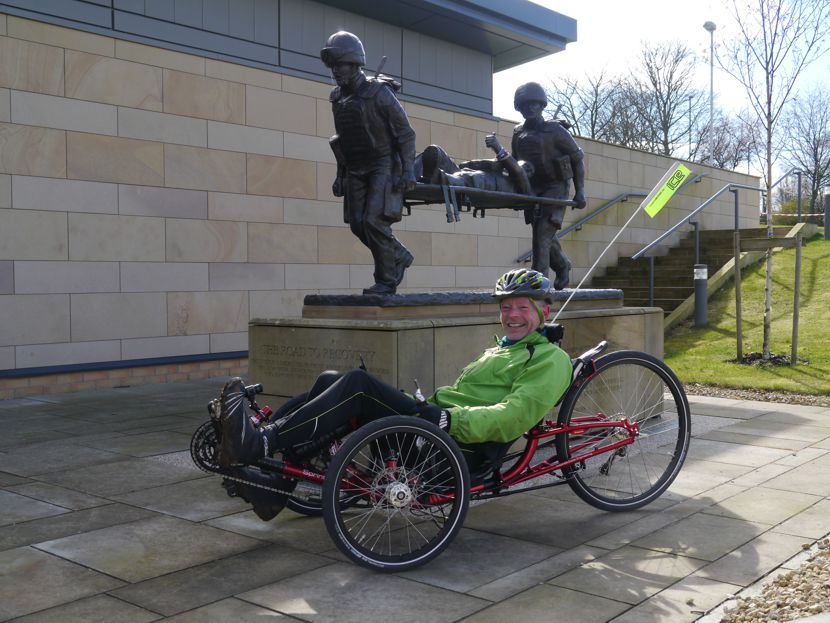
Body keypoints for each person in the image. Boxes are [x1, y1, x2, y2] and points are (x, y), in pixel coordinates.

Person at [215, 268, 572, 520]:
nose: (512, 315)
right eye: (506, 307)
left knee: (359, 385)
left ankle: (258, 444)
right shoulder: (501, 349)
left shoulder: (549, 359)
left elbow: (514, 416)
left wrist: (450, 418)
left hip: (454, 450)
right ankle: (273, 484)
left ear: (544, 310)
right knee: (329, 380)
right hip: (434, 429)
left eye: (522, 307)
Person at [322, 31, 417, 295]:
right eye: (333, 67)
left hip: (382, 164)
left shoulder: (379, 94)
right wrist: (340, 174)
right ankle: (397, 253)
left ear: (354, 64)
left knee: (374, 221)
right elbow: (343, 139)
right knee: (356, 223)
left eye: (339, 65)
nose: (335, 72)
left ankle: (385, 281)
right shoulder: (337, 98)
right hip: (355, 167)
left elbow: (406, 133)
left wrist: (408, 170)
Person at [511, 82, 587, 290]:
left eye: (535, 104)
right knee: (542, 232)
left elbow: (577, 158)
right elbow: (514, 163)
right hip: (532, 188)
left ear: (542, 105)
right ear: (519, 107)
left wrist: (580, 191)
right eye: (525, 105)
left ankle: (538, 284)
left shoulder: (555, 130)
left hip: (556, 186)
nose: (530, 108)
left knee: (543, 232)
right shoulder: (517, 133)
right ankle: (563, 265)